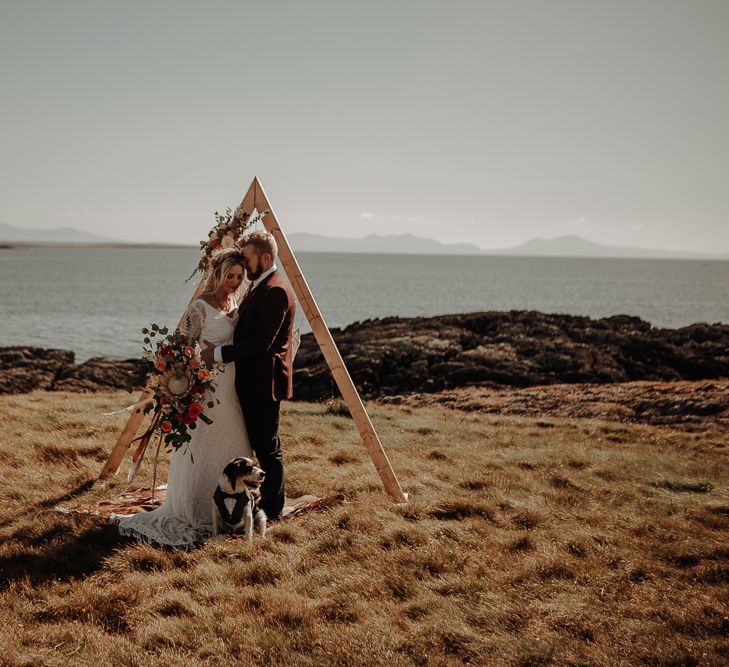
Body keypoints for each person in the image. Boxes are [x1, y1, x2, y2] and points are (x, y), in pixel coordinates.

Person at [117, 248, 254, 548]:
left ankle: (231, 506)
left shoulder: (233, 302)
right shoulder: (200, 307)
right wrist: (193, 380)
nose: (233, 282)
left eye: (239, 277)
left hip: (232, 387)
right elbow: (184, 350)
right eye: (229, 276)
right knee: (204, 443)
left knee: (233, 439)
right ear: (217, 273)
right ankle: (198, 507)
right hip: (209, 389)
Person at [202, 231, 296, 521]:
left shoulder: (276, 290)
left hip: (262, 384)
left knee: (267, 450)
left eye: (248, 257)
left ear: (265, 257)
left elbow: (261, 344)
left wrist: (216, 355)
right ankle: (261, 503)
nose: (244, 263)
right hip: (251, 382)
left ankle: (271, 510)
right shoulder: (261, 285)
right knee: (264, 445)